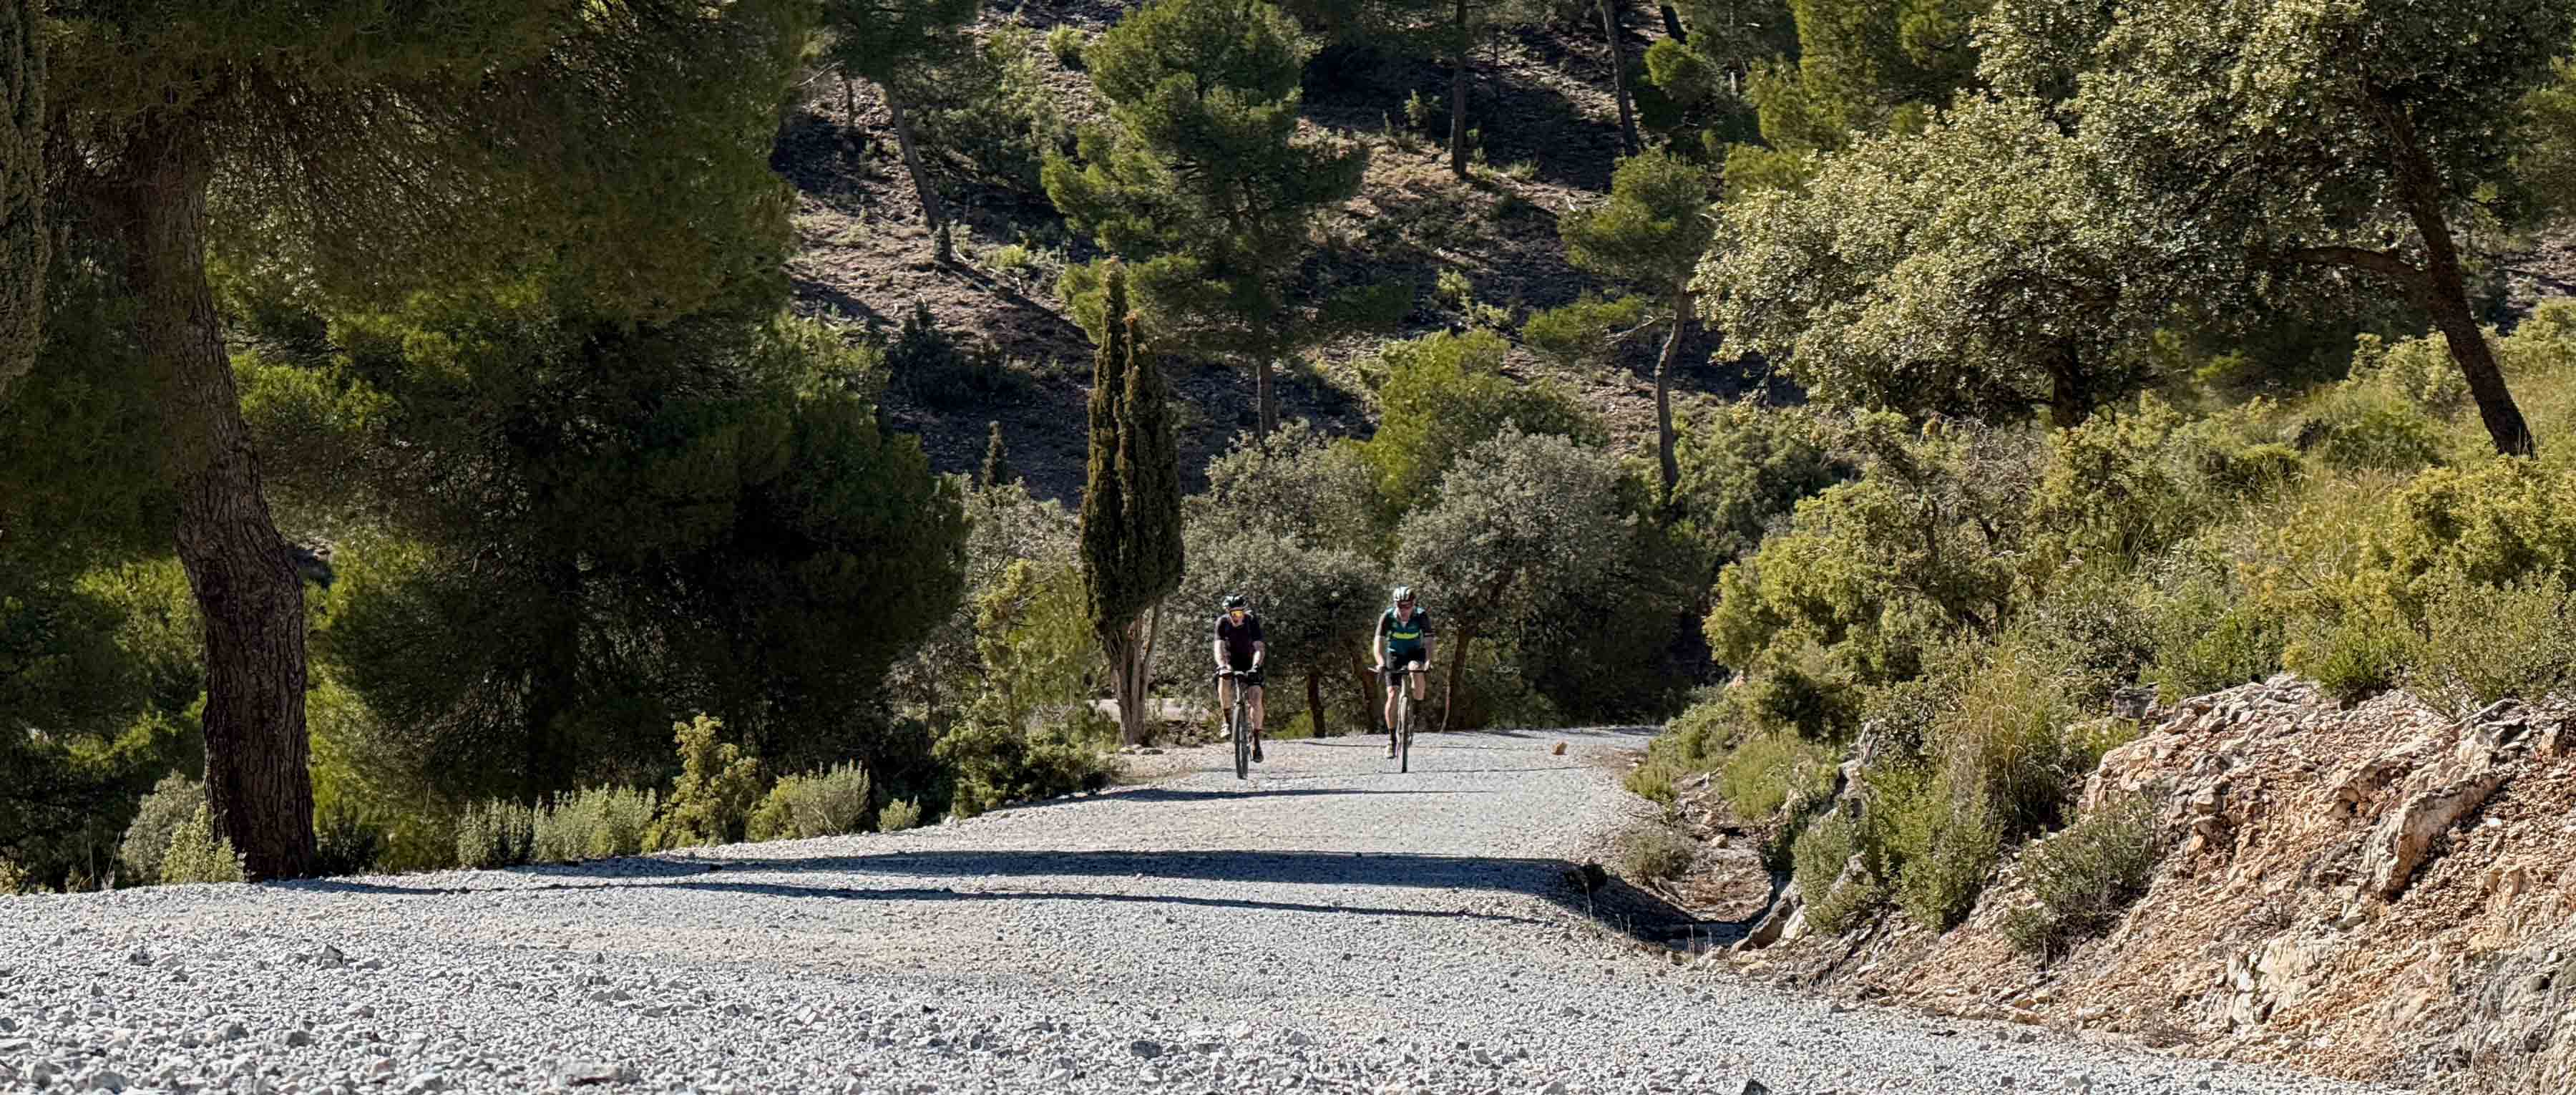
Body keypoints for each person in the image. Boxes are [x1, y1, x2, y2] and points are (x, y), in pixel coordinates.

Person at [1372, 585, 1434, 759]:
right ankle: (1392, 740)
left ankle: (1416, 712)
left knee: (1415, 669)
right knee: (1392, 694)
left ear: (1414, 604)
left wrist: (1429, 660)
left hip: (1415, 653)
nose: (1404, 609)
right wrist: (1380, 663)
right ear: (1395, 604)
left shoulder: (1421, 615)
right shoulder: (1387, 616)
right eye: (1400, 605)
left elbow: (1429, 641)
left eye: (1408, 606)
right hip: (1395, 655)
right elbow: (1378, 643)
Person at [1212, 593, 1265, 762]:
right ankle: (1227, 720)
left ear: (1244, 612)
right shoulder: (1222, 623)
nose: (1236, 617)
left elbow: (1259, 647)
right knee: (1223, 679)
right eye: (1233, 613)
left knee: (1256, 698)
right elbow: (1218, 647)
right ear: (1228, 613)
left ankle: (1256, 740)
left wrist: (1256, 666)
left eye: (1239, 613)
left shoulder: (1251, 621)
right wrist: (1223, 665)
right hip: (1230, 662)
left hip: (1250, 662)